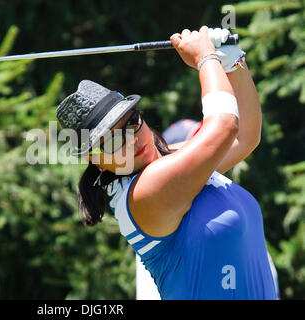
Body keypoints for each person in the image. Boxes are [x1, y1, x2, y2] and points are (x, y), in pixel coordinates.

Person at [56, 26, 278, 299]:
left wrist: (232, 62)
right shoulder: (145, 191)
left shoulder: (172, 159)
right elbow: (224, 126)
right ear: (95, 160)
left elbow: (245, 135)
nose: (131, 141)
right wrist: (206, 59)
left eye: (132, 122)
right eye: (112, 141)